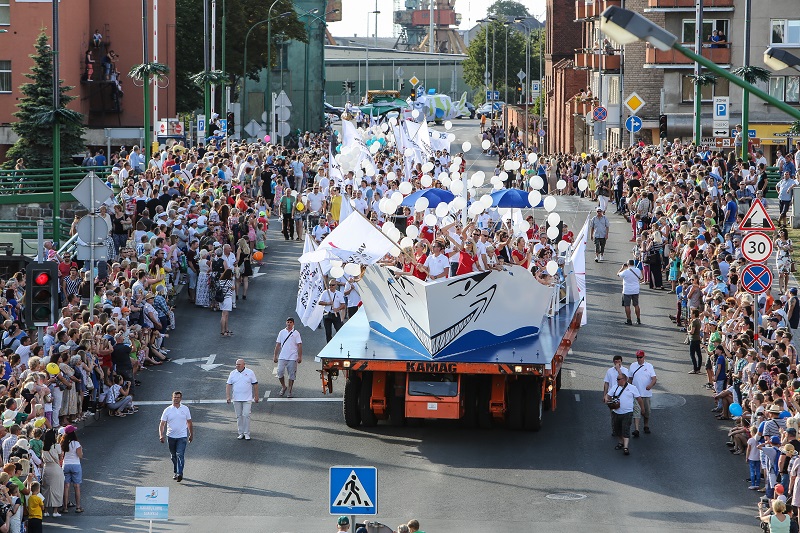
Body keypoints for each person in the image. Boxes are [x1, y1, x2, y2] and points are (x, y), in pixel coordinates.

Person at [159, 391, 193, 482]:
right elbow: (162, 424)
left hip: (182, 436)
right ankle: (176, 471)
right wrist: (161, 435)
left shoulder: (185, 409)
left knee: (180, 454)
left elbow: (189, 422)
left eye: (178, 397)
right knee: (173, 456)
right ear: (172, 398)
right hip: (171, 437)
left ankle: (180, 473)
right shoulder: (167, 410)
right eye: (174, 397)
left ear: (181, 399)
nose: (176, 399)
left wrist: (191, 434)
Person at [607, 372, 644, 456]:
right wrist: (606, 399)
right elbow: (608, 396)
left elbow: (639, 399)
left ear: (624, 380)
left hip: (627, 412)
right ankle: (621, 442)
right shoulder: (615, 387)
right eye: (617, 379)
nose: (617, 381)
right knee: (617, 429)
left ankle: (626, 447)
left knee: (626, 428)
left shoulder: (632, 388)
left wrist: (642, 408)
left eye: (618, 379)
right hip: (616, 412)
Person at [226, 359, 259, 441]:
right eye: (236, 364)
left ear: (244, 364)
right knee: (239, 416)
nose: (237, 366)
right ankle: (241, 433)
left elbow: (255, 385)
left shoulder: (250, 372)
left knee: (246, 415)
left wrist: (256, 396)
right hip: (236, 399)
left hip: (247, 399)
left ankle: (246, 433)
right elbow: (228, 385)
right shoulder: (233, 373)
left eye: (239, 364)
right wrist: (228, 396)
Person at [628, 350, 657, 437]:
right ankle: (636, 429)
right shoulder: (633, 366)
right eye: (637, 357)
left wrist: (650, 385)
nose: (639, 359)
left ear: (644, 357)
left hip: (646, 393)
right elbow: (630, 378)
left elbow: (654, 378)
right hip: (636, 394)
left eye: (640, 357)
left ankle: (646, 425)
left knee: (646, 411)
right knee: (636, 411)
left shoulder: (649, 366)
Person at [273, 317, 303, 398]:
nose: (289, 324)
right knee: (280, 372)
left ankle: (290, 390)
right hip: (282, 356)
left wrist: (299, 356)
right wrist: (275, 356)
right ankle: (283, 386)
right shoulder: (282, 332)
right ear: (286, 323)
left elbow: (299, 345)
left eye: (290, 322)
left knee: (291, 374)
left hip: (292, 357)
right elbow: (278, 344)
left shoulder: (296, 333)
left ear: (293, 324)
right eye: (288, 322)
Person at [41, 428, 64, 517]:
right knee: (57, 489)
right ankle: (55, 511)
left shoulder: (44, 447)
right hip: (55, 468)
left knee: (46, 489)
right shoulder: (56, 446)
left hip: (46, 468)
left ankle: (46, 510)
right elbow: (60, 456)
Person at [60, 425, 83, 513]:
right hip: (75, 465)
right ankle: (78, 507)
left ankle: (65, 507)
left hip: (66, 465)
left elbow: (61, 455)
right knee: (76, 486)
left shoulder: (63, 443)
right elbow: (80, 455)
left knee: (66, 486)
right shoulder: (76, 443)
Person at [618, 260, 642, 325]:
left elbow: (618, 274)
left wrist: (622, 268)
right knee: (636, 305)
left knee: (627, 305)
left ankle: (629, 320)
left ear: (628, 264)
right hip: (635, 290)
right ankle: (638, 319)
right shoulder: (638, 270)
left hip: (627, 290)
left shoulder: (625, 272)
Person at [218, 269, 235, 337]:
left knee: (225, 314)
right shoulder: (228, 281)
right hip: (227, 299)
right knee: (224, 315)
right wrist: (232, 280)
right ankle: (223, 331)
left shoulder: (220, 281)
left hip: (221, 299)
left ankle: (226, 329)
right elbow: (233, 288)